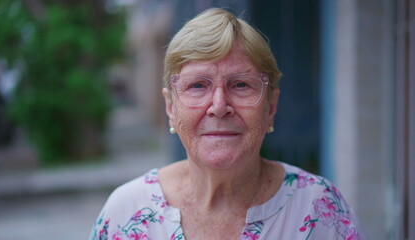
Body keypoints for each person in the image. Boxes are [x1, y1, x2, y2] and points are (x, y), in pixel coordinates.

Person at [90, 8, 365, 240]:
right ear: (171, 107)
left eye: (241, 85)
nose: (219, 106)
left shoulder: (320, 210)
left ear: (271, 106)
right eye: (198, 85)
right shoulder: (126, 212)